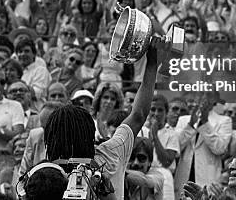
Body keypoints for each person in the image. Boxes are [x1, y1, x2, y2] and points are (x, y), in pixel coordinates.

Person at [43, 39, 167, 200]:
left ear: (51, 137)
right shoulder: (110, 154)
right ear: (89, 132)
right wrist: (152, 63)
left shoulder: (43, 174)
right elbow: (139, 115)